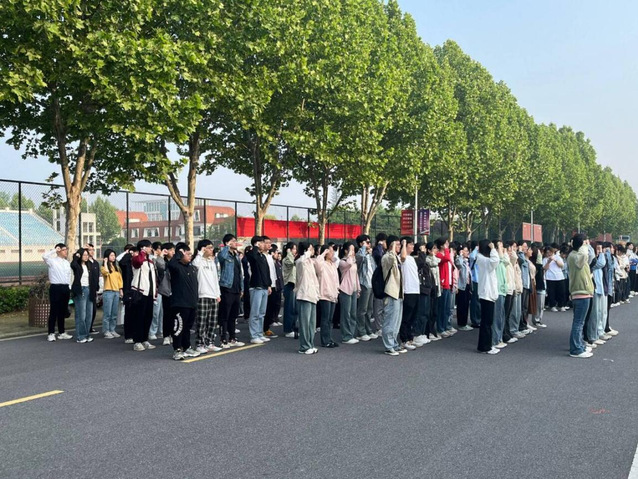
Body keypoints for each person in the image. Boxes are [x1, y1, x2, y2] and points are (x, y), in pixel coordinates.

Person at [167, 244, 200, 360]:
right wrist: (179, 253)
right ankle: (177, 349)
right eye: (187, 254)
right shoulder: (176, 267)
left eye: (191, 254)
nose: (190, 256)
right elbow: (171, 264)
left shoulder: (191, 268)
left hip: (191, 303)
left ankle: (187, 347)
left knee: (187, 327)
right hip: (180, 303)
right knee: (179, 327)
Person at [192, 239, 223, 354]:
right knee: (201, 321)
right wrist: (200, 252)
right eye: (209, 248)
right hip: (202, 294)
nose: (211, 250)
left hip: (213, 295)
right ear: (203, 248)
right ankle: (199, 344)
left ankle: (210, 342)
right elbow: (195, 264)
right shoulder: (199, 260)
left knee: (212, 321)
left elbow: (215, 279)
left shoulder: (211, 262)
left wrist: (218, 294)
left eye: (212, 248)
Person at [567, 234, 595, 358]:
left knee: (579, 322)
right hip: (580, 292)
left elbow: (589, 257)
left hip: (582, 291)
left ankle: (579, 345)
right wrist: (584, 246)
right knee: (578, 323)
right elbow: (583, 256)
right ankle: (576, 349)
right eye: (585, 243)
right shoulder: (575, 256)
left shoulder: (574, 255)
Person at [217, 234, 245, 348]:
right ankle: (223, 339)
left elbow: (240, 273)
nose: (235, 243)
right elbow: (221, 258)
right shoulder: (224, 254)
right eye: (233, 241)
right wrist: (226, 247)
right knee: (225, 315)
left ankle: (232, 338)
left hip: (236, 289)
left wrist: (241, 288)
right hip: (227, 287)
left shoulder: (236, 255)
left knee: (233, 315)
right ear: (227, 243)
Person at [129, 240, 158, 352]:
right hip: (140, 292)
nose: (151, 249)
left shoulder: (150, 261)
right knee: (139, 317)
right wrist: (142, 253)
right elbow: (138, 262)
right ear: (143, 248)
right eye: (149, 247)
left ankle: (144, 339)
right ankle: (137, 341)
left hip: (149, 293)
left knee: (148, 317)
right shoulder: (137, 258)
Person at [245, 236, 272, 344]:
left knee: (261, 313)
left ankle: (260, 333)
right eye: (262, 242)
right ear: (257, 243)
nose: (264, 244)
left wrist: (269, 285)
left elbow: (267, 271)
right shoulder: (251, 254)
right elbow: (253, 258)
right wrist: (255, 247)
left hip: (264, 287)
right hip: (256, 287)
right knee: (255, 313)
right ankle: (254, 335)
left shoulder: (263, 256)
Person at [43, 243, 73, 342]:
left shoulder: (67, 263)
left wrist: (69, 287)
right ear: (59, 250)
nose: (66, 251)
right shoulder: (52, 261)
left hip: (65, 287)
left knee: (62, 311)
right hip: (56, 287)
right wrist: (54, 250)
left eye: (66, 249)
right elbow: (44, 256)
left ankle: (61, 332)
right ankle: (51, 333)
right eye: (64, 250)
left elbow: (69, 275)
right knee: (54, 311)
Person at [381, 236, 405, 356]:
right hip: (391, 293)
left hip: (398, 294)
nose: (399, 247)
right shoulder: (387, 257)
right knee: (390, 321)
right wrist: (392, 246)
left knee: (396, 322)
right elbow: (390, 258)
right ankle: (388, 346)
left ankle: (394, 344)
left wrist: (402, 245)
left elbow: (403, 257)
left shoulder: (397, 258)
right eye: (397, 245)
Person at [476, 239, 500, 354]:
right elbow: (495, 261)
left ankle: (485, 345)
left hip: (488, 293)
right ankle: (486, 347)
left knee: (487, 322)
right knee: (486, 322)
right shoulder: (482, 259)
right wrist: (493, 249)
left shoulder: (483, 259)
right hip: (486, 294)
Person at [295, 242, 319, 354]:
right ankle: (304, 346)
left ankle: (310, 344)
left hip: (312, 295)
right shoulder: (300, 261)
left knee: (311, 323)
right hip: (304, 295)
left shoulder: (310, 261)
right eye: (311, 248)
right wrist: (307, 253)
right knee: (305, 322)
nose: (313, 250)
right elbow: (300, 261)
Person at [314, 245, 339, 348]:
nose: (332, 253)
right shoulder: (322, 264)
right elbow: (317, 263)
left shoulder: (333, 264)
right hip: (324, 294)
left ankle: (329, 338)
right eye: (330, 251)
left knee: (330, 319)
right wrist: (323, 253)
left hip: (333, 294)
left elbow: (336, 280)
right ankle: (325, 340)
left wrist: (337, 291)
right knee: (325, 318)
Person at [70, 248, 97, 343]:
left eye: (87, 255)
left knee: (89, 315)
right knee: (81, 315)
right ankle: (80, 336)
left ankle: (87, 334)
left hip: (89, 289)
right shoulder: (77, 265)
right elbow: (73, 264)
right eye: (84, 255)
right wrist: (76, 256)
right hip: (80, 290)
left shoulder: (89, 265)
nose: (86, 256)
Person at [355, 234, 378, 340]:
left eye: (369, 242)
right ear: (361, 244)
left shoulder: (370, 255)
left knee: (369, 310)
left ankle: (368, 330)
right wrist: (363, 248)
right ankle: (361, 332)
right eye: (367, 242)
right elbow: (359, 258)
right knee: (362, 309)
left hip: (371, 284)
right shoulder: (360, 254)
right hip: (364, 283)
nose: (369, 244)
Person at [399, 237, 419, 350]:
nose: (412, 246)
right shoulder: (402, 257)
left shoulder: (411, 258)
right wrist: (404, 243)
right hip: (407, 290)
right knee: (406, 317)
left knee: (413, 317)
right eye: (410, 244)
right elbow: (402, 257)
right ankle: (404, 339)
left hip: (415, 290)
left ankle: (410, 338)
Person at [338, 241, 360, 344]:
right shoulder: (342, 262)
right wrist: (350, 255)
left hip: (354, 288)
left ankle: (351, 333)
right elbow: (349, 264)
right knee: (345, 313)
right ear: (346, 250)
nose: (353, 251)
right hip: (345, 289)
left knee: (353, 313)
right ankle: (346, 336)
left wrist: (358, 288)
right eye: (351, 249)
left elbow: (356, 275)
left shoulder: (353, 261)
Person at [101, 249, 123, 339]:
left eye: (114, 255)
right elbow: (106, 273)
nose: (113, 257)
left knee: (114, 313)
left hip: (116, 291)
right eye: (111, 255)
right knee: (107, 313)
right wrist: (105, 262)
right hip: (108, 291)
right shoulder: (103, 267)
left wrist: (120, 290)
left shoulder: (116, 267)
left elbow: (119, 280)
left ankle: (112, 329)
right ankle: (106, 331)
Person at [491, 240, 509, 350]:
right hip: (497, 291)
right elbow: (502, 258)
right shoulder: (496, 260)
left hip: (502, 290)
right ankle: (495, 339)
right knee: (497, 317)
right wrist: (497, 247)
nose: (503, 248)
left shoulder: (502, 260)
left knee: (501, 315)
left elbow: (507, 260)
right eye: (501, 246)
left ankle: (499, 338)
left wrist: (503, 250)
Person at [264, 243, 283, 337]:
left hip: (274, 286)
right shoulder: (266, 258)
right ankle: (264, 329)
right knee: (266, 309)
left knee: (272, 307)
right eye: (276, 252)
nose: (277, 254)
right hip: (268, 286)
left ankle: (267, 327)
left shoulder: (275, 261)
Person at [158, 243, 175, 346]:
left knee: (174, 315)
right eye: (171, 250)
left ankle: (173, 334)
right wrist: (161, 255)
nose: (173, 252)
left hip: (175, 290)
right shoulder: (161, 261)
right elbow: (161, 266)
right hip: (166, 291)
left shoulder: (175, 261)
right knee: (167, 314)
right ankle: (166, 336)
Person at [118, 244, 135, 343]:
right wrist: (128, 254)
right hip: (128, 290)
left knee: (135, 314)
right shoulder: (126, 263)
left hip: (136, 291)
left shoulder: (137, 263)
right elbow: (121, 262)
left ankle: (135, 333)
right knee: (128, 314)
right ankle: (128, 335)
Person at [148, 242, 164, 340]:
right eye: (158, 249)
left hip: (162, 288)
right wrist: (158, 257)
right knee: (155, 312)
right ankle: (152, 332)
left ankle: (160, 330)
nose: (160, 251)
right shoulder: (151, 258)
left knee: (161, 312)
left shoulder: (161, 258)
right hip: (155, 289)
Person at [282, 242, 298, 338]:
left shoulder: (293, 259)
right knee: (289, 308)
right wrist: (288, 253)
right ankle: (288, 329)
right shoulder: (286, 259)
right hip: (289, 285)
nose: (295, 251)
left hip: (295, 285)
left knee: (295, 309)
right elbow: (291, 263)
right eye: (293, 249)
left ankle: (293, 327)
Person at [455, 243, 472, 331]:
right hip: (461, 285)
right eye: (465, 251)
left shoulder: (466, 261)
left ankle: (464, 323)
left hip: (467, 285)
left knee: (466, 304)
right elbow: (459, 265)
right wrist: (460, 256)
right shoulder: (459, 259)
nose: (467, 252)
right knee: (461, 305)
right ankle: (461, 323)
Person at [84, 243, 101, 334]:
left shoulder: (96, 263)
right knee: (86, 310)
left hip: (94, 289)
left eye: (93, 250)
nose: (92, 251)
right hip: (86, 288)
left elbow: (97, 276)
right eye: (90, 250)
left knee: (93, 310)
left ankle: (90, 327)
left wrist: (97, 287)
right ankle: (85, 328)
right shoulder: (85, 263)